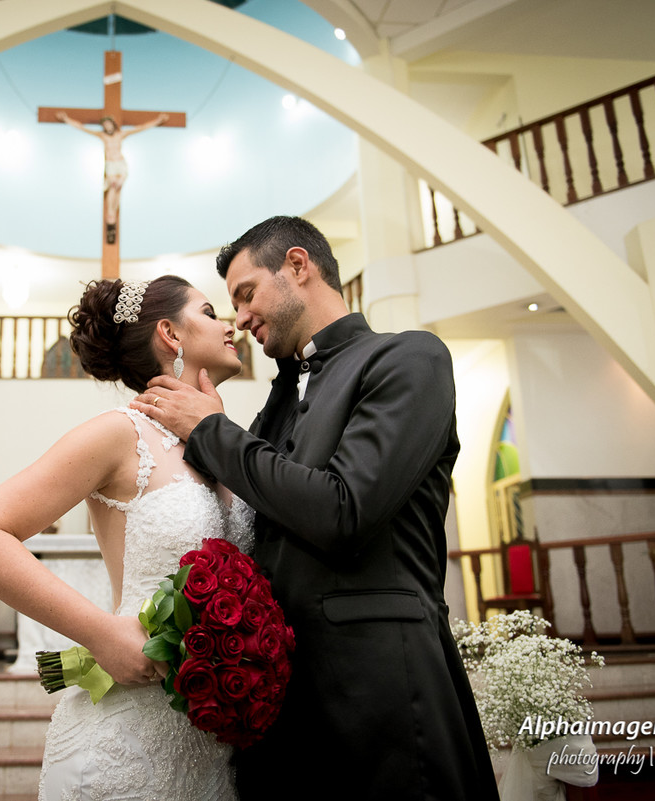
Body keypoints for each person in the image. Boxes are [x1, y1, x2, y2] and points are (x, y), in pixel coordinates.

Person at [133, 217, 499, 800]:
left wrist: (212, 430)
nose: (242, 318)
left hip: (383, 695)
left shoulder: (408, 359)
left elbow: (343, 511)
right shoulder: (277, 399)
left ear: (298, 266)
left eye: (247, 294)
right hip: (282, 711)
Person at [0, 275, 250, 801]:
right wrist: (101, 634)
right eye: (209, 311)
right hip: (128, 732)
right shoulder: (120, 434)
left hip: (211, 737)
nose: (230, 324)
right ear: (170, 334)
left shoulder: (230, 440)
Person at [56, 111, 169, 243]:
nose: (107, 127)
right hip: (110, 165)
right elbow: (82, 127)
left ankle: (113, 213)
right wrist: (66, 119)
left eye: (109, 124)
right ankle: (110, 214)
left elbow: (140, 128)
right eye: (105, 125)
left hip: (120, 164)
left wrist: (158, 121)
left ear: (113, 124)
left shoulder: (120, 135)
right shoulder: (102, 136)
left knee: (118, 187)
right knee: (112, 187)